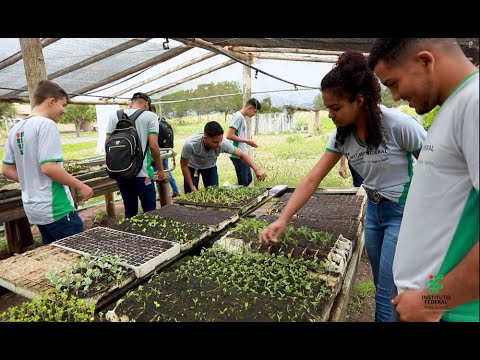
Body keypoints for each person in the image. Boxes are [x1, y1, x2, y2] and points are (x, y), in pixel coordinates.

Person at [259, 51, 427, 322]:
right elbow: (313, 178)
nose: (330, 114)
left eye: (335, 107)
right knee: (382, 284)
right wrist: (283, 218)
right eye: (327, 107)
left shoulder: (398, 125)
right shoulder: (341, 136)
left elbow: (436, 167)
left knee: (386, 291)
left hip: (403, 212)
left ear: (359, 100)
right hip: (373, 212)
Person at [368, 38, 479, 322]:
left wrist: (434, 300)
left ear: (426, 61)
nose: (393, 96)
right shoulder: (453, 106)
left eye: (393, 83)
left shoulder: (475, 102)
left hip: (449, 311)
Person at [2, 80, 94, 244]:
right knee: (76, 258)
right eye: (62, 105)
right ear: (51, 101)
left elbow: (7, 170)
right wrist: (81, 185)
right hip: (56, 207)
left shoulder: (15, 129)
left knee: (55, 256)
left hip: (34, 209)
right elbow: (49, 168)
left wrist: (32, 180)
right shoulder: (46, 125)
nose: (63, 111)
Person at [106, 92, 164, 218]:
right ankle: (149, 236)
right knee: (150, 211)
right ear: (147, 104)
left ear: (131, 103)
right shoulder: (150, 116)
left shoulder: (114, 116)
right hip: (142, 173)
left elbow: (107, 143)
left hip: (121, 172)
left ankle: (130, 236)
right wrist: (160, 170)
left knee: (130, 210)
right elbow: (154, 146)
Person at [181, 121, 267, 193]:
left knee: (214, 193)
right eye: (215, 142)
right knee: (190, 194)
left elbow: (241, 155)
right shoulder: (190, 144)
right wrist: (192, 186)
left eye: (220, 140)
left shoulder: (223, 143)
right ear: (205, 138)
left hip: (210, 167)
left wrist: (257, 169)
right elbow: (184, 165)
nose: (218, 144)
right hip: (192, 168)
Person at [226, 98, 261, 186]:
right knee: (243, 182)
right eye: (254, 111)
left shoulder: (241, 117)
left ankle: (234, 192)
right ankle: (236, 197)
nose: (254, 114)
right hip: (237, 154)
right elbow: (229, 135)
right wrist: (247, 141)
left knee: (248, 179)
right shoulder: (238, 117)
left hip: (242, 154)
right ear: (249, 108)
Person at [150, 104, 179, 198]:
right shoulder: (161, 121)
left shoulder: (154, 123)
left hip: (159, 151)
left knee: (159, 171)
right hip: (164, 149)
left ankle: (162, 194)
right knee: (165, 170)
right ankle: (175, 190)